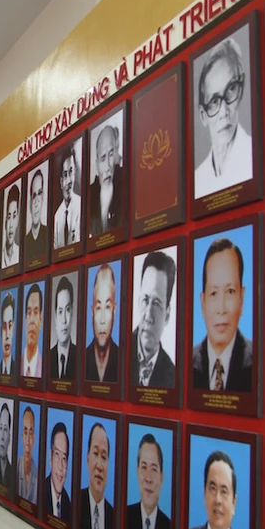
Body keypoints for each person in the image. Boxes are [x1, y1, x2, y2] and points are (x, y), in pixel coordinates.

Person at [195, 37, 253, 198]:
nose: (224, 112)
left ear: (241, 89)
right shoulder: (197, 180)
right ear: (203, 116)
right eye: (214, 101)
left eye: (231, 89)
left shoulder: (254, 155)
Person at [193, 239, 254, 392]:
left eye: (230, 291)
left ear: (241, 299)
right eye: (213, 293)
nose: (221, 308)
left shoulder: (260, 362)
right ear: (202, 302)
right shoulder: (185, 363)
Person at [125, 433, 170, 529]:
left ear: (161, 477)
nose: (148, 478)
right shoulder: (123, 518)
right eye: (144, 467)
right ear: (137, 471)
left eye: (154, 469)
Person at [131, 252, 177, 388]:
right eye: (145, 300)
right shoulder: (115, 355)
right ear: (139, 302)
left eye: (156, 304)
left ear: (167, 315)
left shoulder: (173, 377)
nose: (148, 316)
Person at [79, 423, 113, 529]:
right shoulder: (75, 503)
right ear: (88, 459)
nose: (99, 465)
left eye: (104, 457)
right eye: (95, 453)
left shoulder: (114, 517)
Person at [86, 264, 120, 383]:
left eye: (108, 307)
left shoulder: (123, 361)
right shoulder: (81, 360)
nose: (102, 320)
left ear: (114, 311)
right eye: (99, 308)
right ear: (92, 312)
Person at [88, 125, 123, 236]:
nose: (108, 167)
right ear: (97, 165)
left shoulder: (125, 185)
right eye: (103, 158)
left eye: (111, 155)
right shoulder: (89, 197)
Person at [48, 276, 78, 381]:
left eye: (68, 309)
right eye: (60, 311)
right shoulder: (47, 358)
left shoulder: (80, 357)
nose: (64, 319)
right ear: (55, 316)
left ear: (72, 311)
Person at [53, 145, 82, 249]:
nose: (69, 180)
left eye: (71, 172)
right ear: (61, 182)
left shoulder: (81, 206)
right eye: (65, 175)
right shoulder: (57, 217)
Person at [43, 421, 71, 521]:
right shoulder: (40, 492)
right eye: (57, 455)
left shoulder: (68, 504)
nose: (60, 466)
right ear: (50, 457)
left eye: (64, 458)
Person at [24, 168, 49, 263]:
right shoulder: (25, 243)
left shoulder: (48, 235)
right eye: (34, 196)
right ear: (30, 204)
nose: (36, 202)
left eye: (39, 193)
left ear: (43, 198)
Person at [17, 406, 38, 503]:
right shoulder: (14, 468)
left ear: (34, 438)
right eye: (25, 432)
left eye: (31, 433)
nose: (28, 441)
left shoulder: (38, 477)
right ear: (21, 436)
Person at [22, 284, 43, 379]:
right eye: (29, 313)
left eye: (35, 312)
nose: (32, 320)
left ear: (41, 319)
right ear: (25, 319)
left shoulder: (45, 368)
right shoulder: (16, 366)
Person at [0, 402, 13, 491]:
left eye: (5, 429)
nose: (2, 437)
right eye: (1, 428)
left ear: (9, 437)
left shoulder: (13, 473)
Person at [3, 185, 21, 268]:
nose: (10, 225)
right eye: (9, 217)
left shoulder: (20, 254)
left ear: (17, 220)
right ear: (5, 221)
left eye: (14, 216)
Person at [0, 293, 16, 377]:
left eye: (10, 326)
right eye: (4, 327)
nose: (7, 335)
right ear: (0, 331)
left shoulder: (17, 371)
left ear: (13, 330)